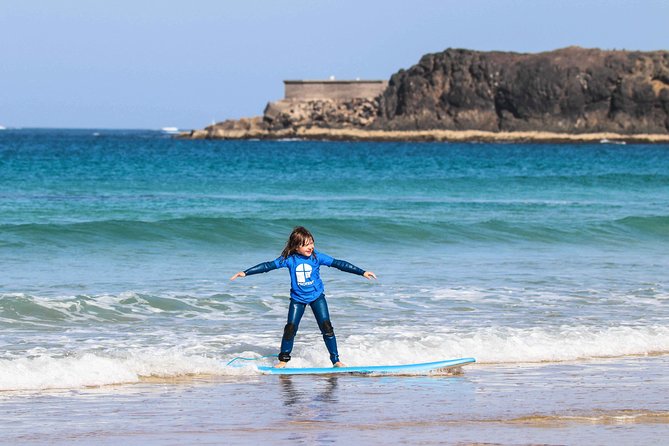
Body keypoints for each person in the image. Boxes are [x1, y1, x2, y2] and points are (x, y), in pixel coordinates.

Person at [230, 226, 376, 368]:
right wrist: (245, 272)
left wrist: (362, 272)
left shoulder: (317, 257)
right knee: (290, 328)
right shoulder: (289, 259)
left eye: (311, 243)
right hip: (298, 299)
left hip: (317, 297)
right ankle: (283, 360)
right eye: (305, 244)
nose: (310, 247)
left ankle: (336, 361)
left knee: (327, 327)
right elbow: (268, 266)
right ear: (295, 247)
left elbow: (339, 264)